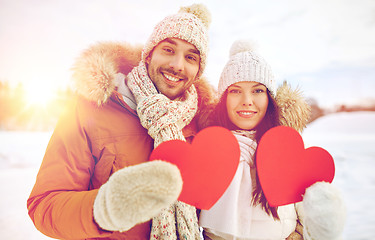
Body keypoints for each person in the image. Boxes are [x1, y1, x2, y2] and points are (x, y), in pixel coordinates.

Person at [27, 4, 216, 240]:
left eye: (191, 57)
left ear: (198, 70)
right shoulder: (93, 108)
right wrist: (104, 209)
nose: (178, 64)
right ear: (149, 55)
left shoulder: (204, 124)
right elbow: (44, 205)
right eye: (168, 49)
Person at [198, 40, 346, 240]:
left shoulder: (288, 154)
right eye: (235, 90)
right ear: (224, 99)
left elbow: (311, 227)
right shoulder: (206, 150)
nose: (247, 100)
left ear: (269, 99)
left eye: (257, 90)